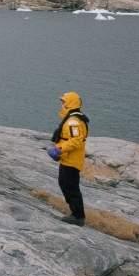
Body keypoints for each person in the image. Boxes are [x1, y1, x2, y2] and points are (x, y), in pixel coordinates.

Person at [48, 91, 89, 226]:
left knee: (70, 187)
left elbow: (76, 141)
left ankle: (78, 216)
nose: (62, 104)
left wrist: (59, 149)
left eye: (64, 102)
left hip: (72, 160)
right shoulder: (72, 118)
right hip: (68, 159)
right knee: (65, 184)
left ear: (70, 103)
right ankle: (75, 213)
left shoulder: (72, 122)